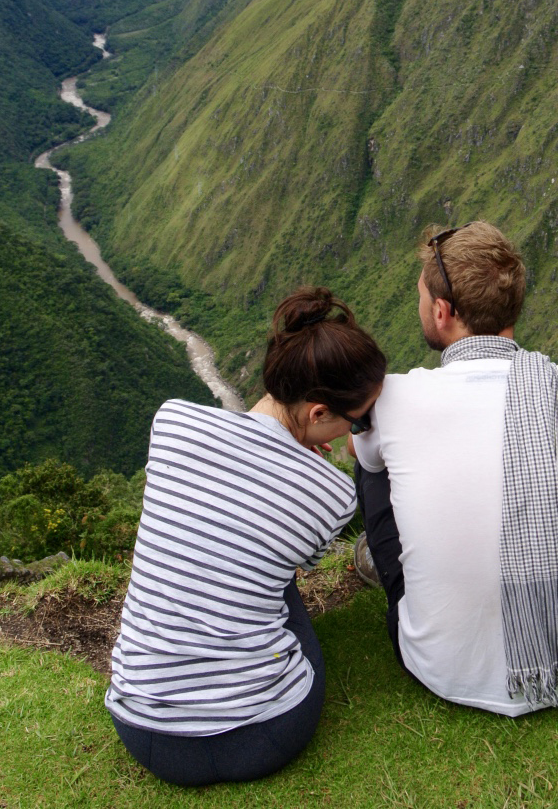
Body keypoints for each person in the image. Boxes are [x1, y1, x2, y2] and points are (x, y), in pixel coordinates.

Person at [351, 220, 558, 716]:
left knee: (369, 457)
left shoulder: (395, 398)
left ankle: (396, 566)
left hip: (439, 667)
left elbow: (364, 455)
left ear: (442, 312)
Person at [106, 286, 386, 786]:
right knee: (276, 580)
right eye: (357, 420)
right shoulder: (332, 494)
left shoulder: (171, 420)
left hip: (139, 727)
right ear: (318, 412)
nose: (355, 434)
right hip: (263, 734)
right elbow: (297, 567)